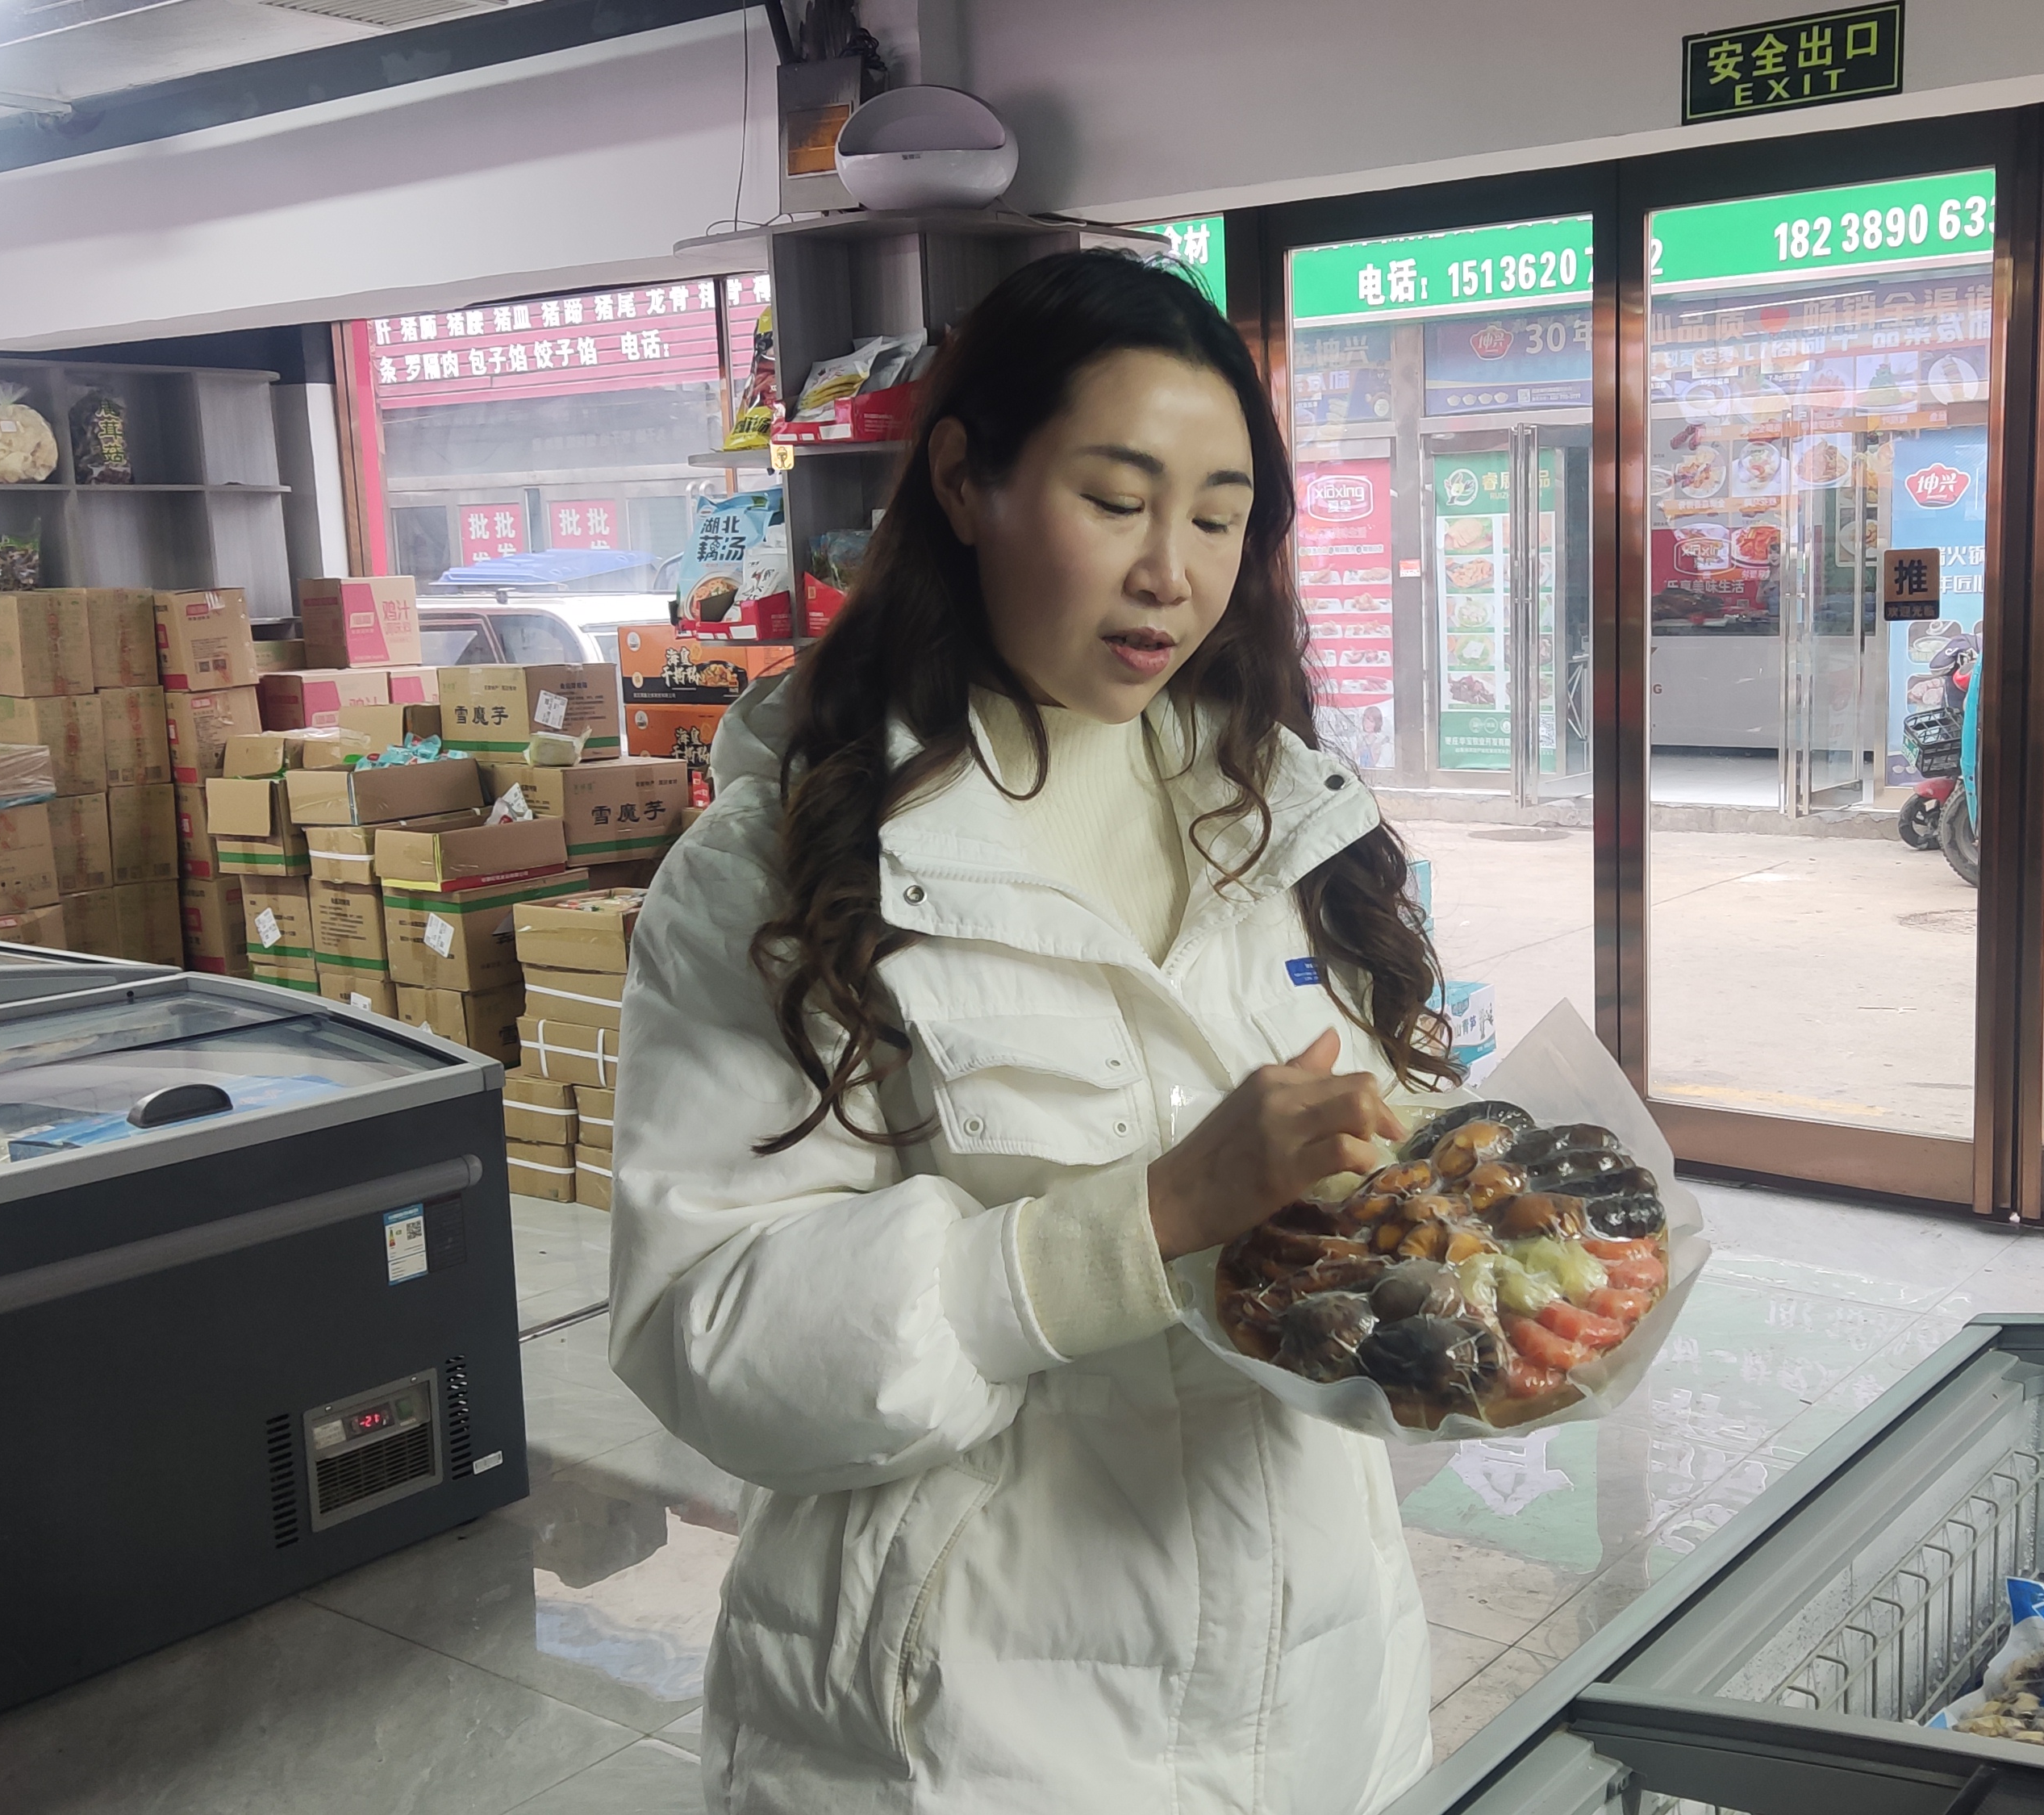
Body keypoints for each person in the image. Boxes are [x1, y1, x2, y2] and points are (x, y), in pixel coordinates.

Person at [607, 249, 1460, 1813]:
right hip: (961, 1736)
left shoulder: (1281, 812)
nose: (1171, 573)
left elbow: (1374, 1140)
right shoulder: (782, 871)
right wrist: (1145, 1222)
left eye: (1218, 518)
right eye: (1116, 500)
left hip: (1317, 1703)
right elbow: (709, 1333)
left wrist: (1439, 1248)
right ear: (962, 479)